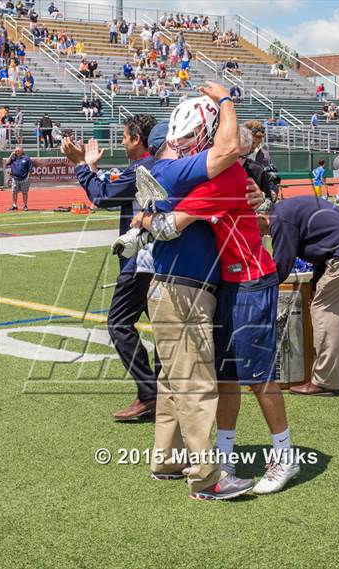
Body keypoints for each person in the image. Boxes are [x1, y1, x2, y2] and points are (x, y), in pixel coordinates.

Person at [130, 90, 299, 496]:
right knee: (219, 376)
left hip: (247, 281)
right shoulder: (211, 175)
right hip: (224, 281)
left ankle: (284, 454)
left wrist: (144, 220)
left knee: (253, 376)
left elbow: (172, 226)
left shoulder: (223, 176)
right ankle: (220, 457)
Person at [120, 87, 255, 500]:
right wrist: (227, 98)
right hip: (183, 290)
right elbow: (230, 146)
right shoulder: (179, 171)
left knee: (171, 378)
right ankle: (207, 477)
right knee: (195, 382)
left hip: (167, 288)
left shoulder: (164, 171)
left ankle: (167, 457)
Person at [61, 114, 159, 421]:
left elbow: (103, 195)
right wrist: (91, 169)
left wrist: (80, 166)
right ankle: (164, 392)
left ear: (138, 140)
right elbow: (113, 189)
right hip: (159, 259)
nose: (121, 141)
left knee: (118, 324)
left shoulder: (144, 169)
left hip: (141, 262)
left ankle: (150, 393)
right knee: (167, 328)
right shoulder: (155, 166)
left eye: (125, 137)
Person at [256, 195, 339, 396]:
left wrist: (259, 289)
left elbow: (281, 265)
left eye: (254, 226)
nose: (260, 233)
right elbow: (323, 250)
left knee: (325, 311)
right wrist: (315, 285)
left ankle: (324, 381)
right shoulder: (288, 210)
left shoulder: (279, 218)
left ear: (261, 216)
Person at [6, 146, 33, 211]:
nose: (17, 152)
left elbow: (30, 169)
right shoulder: (13, 158)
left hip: (24, 179)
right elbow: (7, 163)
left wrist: (28, 177)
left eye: (19, 151)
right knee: (14, 192)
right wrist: (11, 155)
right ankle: (14, 205)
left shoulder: (27, 158)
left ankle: (25, 206)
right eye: (16, 151)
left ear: (22, 151)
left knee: (24, 193)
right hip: (15, 178)